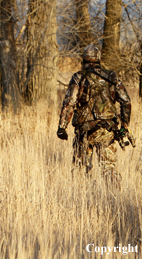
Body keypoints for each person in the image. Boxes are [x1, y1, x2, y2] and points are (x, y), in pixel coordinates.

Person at [56, 44, 133, 182]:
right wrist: (124, 127)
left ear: (84, 59)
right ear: (98, 59)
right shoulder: (111, 77)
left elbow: (70, 102)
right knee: (109, 168)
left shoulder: (78, 77)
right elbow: (126, 101)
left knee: (80, 168)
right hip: (106, 130)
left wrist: (62, 127)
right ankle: (114, 199)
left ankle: (81, 199)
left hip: (84, 131)